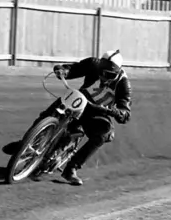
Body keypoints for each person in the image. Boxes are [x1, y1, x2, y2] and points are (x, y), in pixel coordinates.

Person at [49, 50, 132, 185]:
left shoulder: (123, 85)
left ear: (117, 73)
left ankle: (71, 168)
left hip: (97, 112)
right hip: (78, 100)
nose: (104, 76)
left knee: (105, 132)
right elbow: (73, 69)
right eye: (102, 72)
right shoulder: (93, 63)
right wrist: (63, 71)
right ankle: (25, 142)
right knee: (53, 109)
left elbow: (125, 112)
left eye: (109, 75)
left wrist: (117, 112)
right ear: (99, 66)